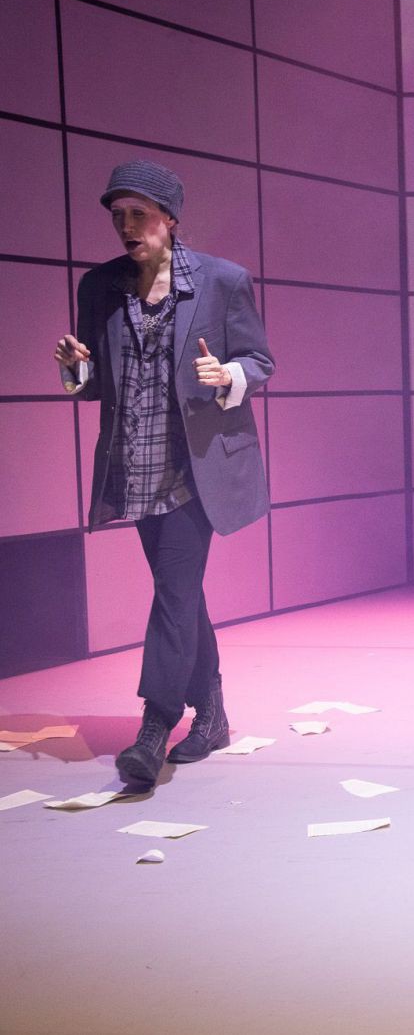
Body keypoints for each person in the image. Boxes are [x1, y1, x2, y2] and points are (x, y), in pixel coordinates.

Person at [52, 160, 274, 786]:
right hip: (136, 466)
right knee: (183, 593)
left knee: (174, 593)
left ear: (169, 218)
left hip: (196, 470)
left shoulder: (222, 281)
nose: (126, 226)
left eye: (139, 214)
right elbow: (97, 384)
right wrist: (75, 368)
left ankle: (154, 728)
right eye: (118, 216)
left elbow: (259, 360)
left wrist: (227, 375)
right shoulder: (100, 286)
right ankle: (215, 715)